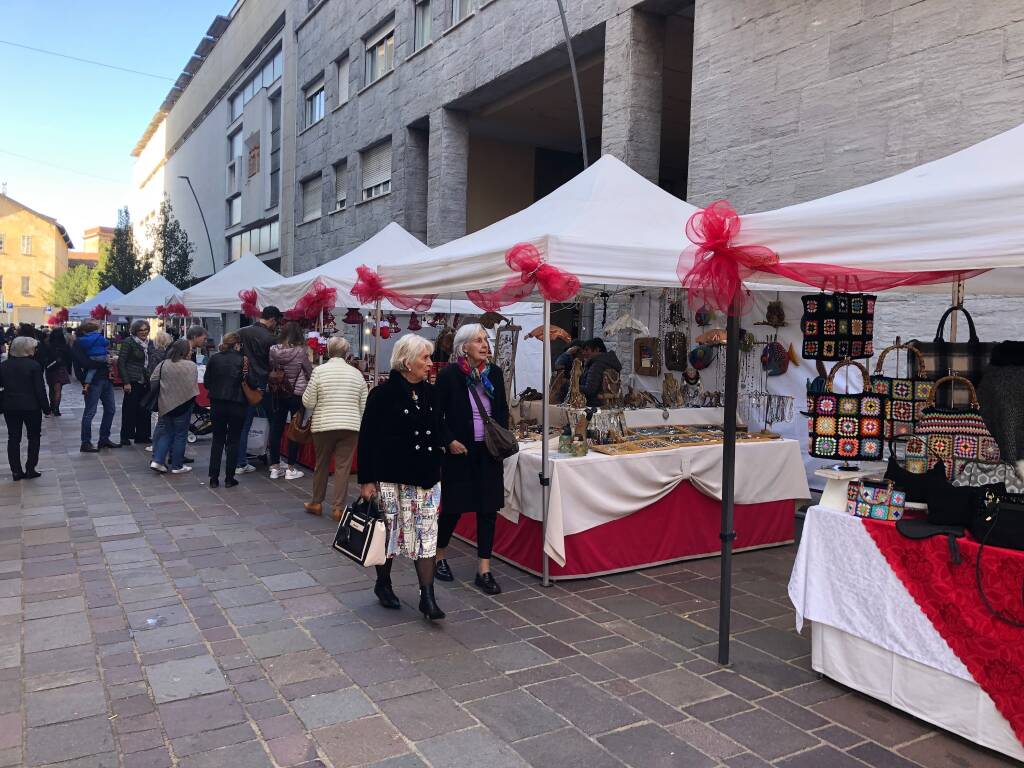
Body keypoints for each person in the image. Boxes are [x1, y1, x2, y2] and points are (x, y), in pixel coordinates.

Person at [357, 334, 446, 621]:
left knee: (427, 536)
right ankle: (383, 584)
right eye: (425, 358)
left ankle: (427, 596)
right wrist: (367, 480)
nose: (430, 364)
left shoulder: (432, 393)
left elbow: (439, 427)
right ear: (407, 362)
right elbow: (367, 439)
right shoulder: (382, 395)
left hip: (427, 478)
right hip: (391, 477)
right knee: (389, 535)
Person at [434, 324, 509, 595]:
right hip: (460, 451)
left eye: (485, 339)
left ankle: (484, 569)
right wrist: (449, 441)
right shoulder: (449, 376)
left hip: (488, 451)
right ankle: (439, 555)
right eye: (478, 340)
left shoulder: (495, 374)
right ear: (464, 347)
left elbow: (501, 411)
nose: (485, 344)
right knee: (453, 507)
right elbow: (436, 416)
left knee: (488, 510)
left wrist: (500, 440)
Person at [301, 336, 367, 521]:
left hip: (324, 425)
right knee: (343, 468)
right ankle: (338, 508)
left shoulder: (319, 371)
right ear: (346, 353)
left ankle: (316, 502)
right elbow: (363, 405)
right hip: (350, 426)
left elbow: (308, 401)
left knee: (321, 464)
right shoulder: (357, 374)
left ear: (328, 351)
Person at [237, 306, 282, 473]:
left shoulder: (241, 332)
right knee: (274, 420)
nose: (276, 326)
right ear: (272, 319)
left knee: (244, 423)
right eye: (276, 322)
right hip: (263, 383)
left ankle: (240, 461)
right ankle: (274, 460)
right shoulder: (271, 338)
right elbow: (275, 363)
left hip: (245, 383)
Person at [0, 336, 50, 479]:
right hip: (31, 406)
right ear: (26, 349)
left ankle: (16, 470)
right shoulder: (34, 366)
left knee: (13, 438)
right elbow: (40, 391)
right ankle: (30, 467)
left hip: (10, 405)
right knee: (34, 437)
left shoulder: (4, 365)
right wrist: (46, 409)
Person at [268, 321, 312, 480]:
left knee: (276, 428)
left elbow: (272, 368)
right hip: (297, 393)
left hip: (279, 392)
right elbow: (309, 371)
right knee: (295, 428)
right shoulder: (300, 352)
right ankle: (291, 468)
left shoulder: (273, 350)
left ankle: (274, 467)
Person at [149, 339, 198, 474]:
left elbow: (153, 380)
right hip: (184, 404)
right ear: (185, 351)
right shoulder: (191, 366)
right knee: (180, 435)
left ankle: (157, 461)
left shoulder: (163, 364)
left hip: (165, 404)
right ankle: (177, 466)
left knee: (166, 433)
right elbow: (192, 386)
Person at [204, 332, 246, 488]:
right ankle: (229, 477)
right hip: (237, 403)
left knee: (217, 439)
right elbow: (251, 382)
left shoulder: (214, 359)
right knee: (233, 440)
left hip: (217, 403)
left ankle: (213, 477)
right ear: (237, 344)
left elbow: (207, 382)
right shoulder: (243, 360)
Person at [73, 320, 120, 452]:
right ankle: (86, 442)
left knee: (110, 409)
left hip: (105, 378)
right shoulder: (79, 343)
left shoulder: (95, 340)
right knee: (90, 412)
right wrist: (84, 380)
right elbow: (84, 362)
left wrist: (107, 360)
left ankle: (104, 438)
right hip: (93, 380)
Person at [118, 320, 153, 445]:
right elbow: (121, 362)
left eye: (146, 330)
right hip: (133, 379)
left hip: (146, 380)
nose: (144, 332)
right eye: (141, 330)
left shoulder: (150, 343)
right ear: (135, 331)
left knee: (144, 408)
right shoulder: (129, 342)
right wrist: (126, 382)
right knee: (129, 409)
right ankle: (126, 436)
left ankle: (142, 435)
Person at [144, 330, 174, 455]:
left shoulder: (153, 353)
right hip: (163, 386)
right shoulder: (167, 354)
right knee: (160, 416)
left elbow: (151, 370)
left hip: (155, 385)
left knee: (157, 415)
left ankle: (156, 442)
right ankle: (157, 442)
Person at [580, 338, 622, 408]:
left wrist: (572, 385)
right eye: (583, 350)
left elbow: (590, 390)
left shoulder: (597, 365)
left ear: (597, 349)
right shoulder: (612, 363)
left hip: (593, 406)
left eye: (587, 350)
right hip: (610, 405)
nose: (583, 353)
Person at [44, 327, 72, 416]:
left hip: (50, 368)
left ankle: (51, 406)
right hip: (61, 369)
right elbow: (69, 358)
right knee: (58, 390)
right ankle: (56, 409)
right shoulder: (65, 345)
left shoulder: (47, 345)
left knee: (51, 389)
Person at [76, 323, 109, 391]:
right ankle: (111, 375)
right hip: (102, 356)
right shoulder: (99, 336)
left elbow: (83, 346)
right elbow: (106, 343)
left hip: (92, 357)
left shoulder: (83, 339)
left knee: (91, 371)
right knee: (109, 363)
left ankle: (87, 384)